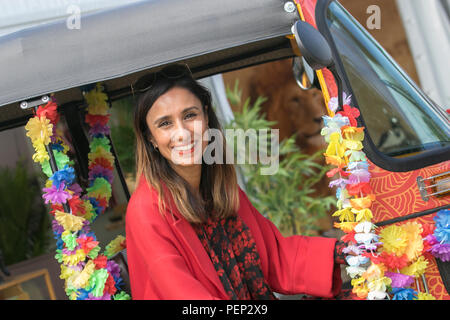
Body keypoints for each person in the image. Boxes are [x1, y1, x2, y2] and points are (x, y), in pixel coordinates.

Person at [125, 63, 345, 300]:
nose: (183, 133)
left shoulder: (222, 190)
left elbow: (276, 258)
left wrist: (344, 252)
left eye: (190, 115)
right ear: (151, 138)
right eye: (165, 123)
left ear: (206, 117)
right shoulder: (146, 211)